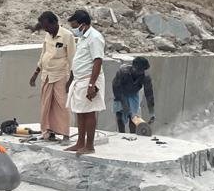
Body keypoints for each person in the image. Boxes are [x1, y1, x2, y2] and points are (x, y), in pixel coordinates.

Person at [64, 9, 106, 155]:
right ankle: (80, 142)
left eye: (75, 26)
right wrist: (70, 80)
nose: (74, 30)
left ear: (83, 24)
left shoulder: (95, 38)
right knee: (80, 112)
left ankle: (89, 145)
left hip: (89, 80)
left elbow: (97, 61)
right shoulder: (83, 38)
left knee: (89, 112)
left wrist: (91, 84)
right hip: (79, 80)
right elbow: (79, 61)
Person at [29, 11, 74, 141]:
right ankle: (48, 132)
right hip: (46, 74)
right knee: (46, 104)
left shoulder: (67, 36)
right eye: (44, 27)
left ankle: (65, 134)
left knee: (62, 105)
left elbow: (72, 59)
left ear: (54, 23)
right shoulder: (48, 35)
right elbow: (43, 54)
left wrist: (70, 81)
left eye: (47, 26)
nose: (46, 29)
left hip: (60, 75)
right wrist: (35, 74)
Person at [113, 56, 155, 135]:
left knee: (133, 117)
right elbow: (115, 87)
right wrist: (123, 103)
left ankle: (132, 135)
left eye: (143, 70)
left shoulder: (145, 77)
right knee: (120, 115)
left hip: (133, 95)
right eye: (140, 70)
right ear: (134, 67)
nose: (141, 72)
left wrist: (151, 112)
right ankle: (122, 134)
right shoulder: (122, 72)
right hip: (120, 93)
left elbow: (149, 94)